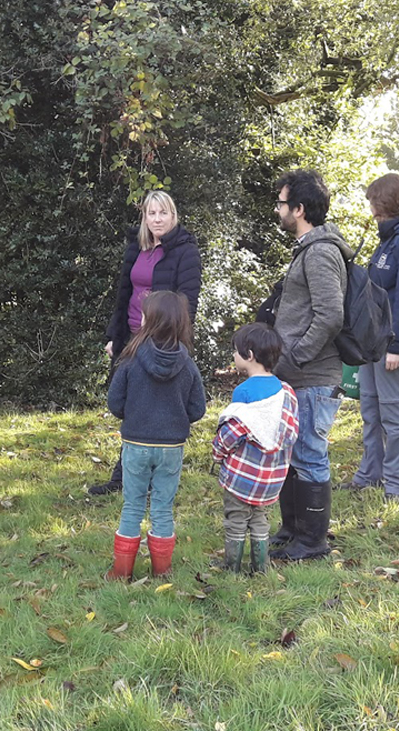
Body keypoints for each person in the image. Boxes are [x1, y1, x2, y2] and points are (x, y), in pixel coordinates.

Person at [92, 190, 202, 496]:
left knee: (156, 406)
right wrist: (114, 337)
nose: (157, 219)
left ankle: (149, 477)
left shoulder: (185, 251)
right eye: (151, 213)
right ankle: (126, 474)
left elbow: (187, 303)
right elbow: (122, 295)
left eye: (163, 213)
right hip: (130, 336)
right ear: (145, 217)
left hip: (161, 338)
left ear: (173, 215)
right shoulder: (136, 246)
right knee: (128, 403)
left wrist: (170, 339)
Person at [269, 169, 352, 561]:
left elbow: (330, 315)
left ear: (299, 209)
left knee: (309, 454)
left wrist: (296, 356)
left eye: (283, 203)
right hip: (296, 376)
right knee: (292, 452)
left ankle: (313, 542)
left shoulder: (320, 252)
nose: (278, 209)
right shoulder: (308, 248)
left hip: (314, 377)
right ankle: (292, 530)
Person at [106, 291, 207, 581]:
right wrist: (175, 419)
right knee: (163, 507)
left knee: (133, 505)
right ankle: (162, 571)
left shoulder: (130, 359)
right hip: (171, 447)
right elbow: (197, 408)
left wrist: (135, 415)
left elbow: (115, 403)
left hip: (136, 443)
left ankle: (121, 571)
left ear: (148, 320)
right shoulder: (187, 364)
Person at [340, 173, 399, 501]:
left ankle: (398, 486)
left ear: (386, 201)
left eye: (373, 202)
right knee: (370, 409)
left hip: (392, 343)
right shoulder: (388, 236)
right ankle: (371, 474)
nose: (369, 209)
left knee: (395, 415)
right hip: (372, 341)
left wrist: (398, 343)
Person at [212, 323, 299, 573]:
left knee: (236, 519)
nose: (234, 356)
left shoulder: (244, 392)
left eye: (236, 351)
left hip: (244, 475)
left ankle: (232, 567)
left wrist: (217, 453)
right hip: (272, 477)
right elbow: (291, 430)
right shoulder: (287, 391)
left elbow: (234, 432)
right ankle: (261, 567)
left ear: (249, 355)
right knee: (260, 518)